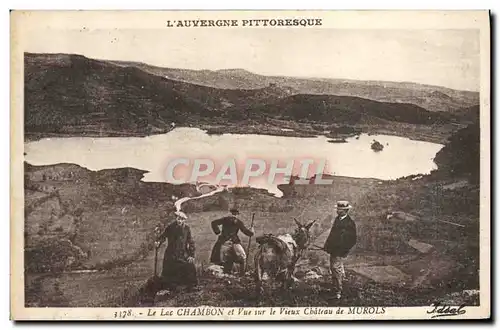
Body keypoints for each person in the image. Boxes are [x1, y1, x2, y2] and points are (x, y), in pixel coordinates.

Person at [155, 211, 198, 291]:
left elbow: (191, 242)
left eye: (182, 219)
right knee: (169, 274)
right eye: (178, 219)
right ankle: (171, 289)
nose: (179, 221)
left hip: (183, 253)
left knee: (190, 266)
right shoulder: (171, 227)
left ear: (184, 220)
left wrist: (191, 255)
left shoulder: (187, 229)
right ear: (176, 218)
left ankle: (190, 287)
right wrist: (158, 242)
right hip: (171, 254)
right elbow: (163, 236)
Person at [323, 201, 357, 300]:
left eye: (339, 209)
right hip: (333, 250)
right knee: (335, 268)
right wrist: (327, 246)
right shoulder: (337, 219)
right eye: (337, 209)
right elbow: (332, 235)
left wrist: (343, 250)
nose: (337, 211)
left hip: (339, 251)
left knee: (335, 269)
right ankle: (337, 288)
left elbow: (352, 239)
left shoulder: (349, 223)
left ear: (345, 210)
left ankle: (338, 291)